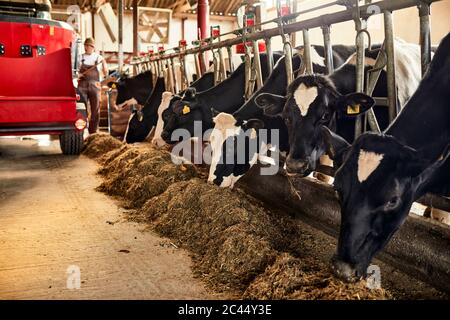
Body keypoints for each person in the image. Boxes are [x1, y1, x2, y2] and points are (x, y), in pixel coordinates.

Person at [78, 38, 108, 134]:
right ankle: (80, 129)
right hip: (82, 85)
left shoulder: (98, 58)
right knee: (82, 108)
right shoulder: (80, 57)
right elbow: (74, 71)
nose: (86, 48)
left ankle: (93, 131)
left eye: (88, 46)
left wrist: (104, 64)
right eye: (85, 46)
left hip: (95, 85)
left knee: (95, 109)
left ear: (93, 47)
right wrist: (78, 75)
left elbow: (105, 71)